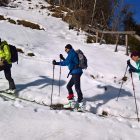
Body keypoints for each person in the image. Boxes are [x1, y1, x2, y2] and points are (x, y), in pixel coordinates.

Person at [52, 44, 83, 110]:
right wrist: (63, 58)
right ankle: (72, 103)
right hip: (76, 72)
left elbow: (66, 63)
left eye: (66, 49)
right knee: (69, 86)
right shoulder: (72, 53)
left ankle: (80, 106)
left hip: (76, 72)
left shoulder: (71, 53)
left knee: (77, 88)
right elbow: (69, 62)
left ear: (69, 48)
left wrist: (56, 63)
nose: (65, 50)